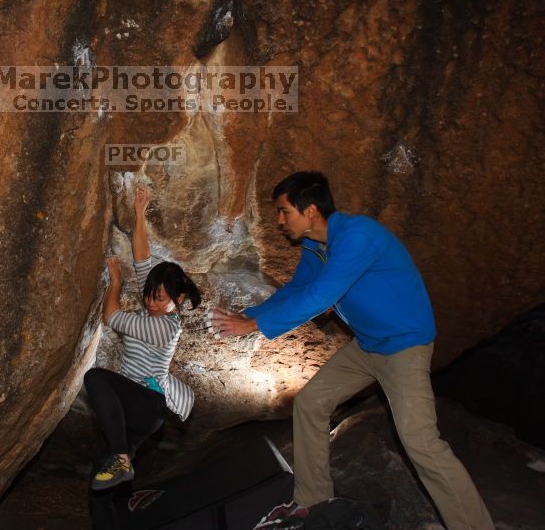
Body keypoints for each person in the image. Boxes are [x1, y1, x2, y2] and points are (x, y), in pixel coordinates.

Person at [211, 172, 493, 529]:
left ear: (310, 210)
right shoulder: (316, 245)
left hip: (405, 347)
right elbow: (299, 288)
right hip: (368, 347)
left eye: (284, 212)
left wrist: (254, 327)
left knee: (422, 444)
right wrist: (248, 315)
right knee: (311, 403)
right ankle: (312, 502)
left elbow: (320, 296)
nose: (279, 221)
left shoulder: (357, 236)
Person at [84, 186, 201, 491]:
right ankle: (120, 465)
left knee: (96, 378)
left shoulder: (165, 327)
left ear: (180, 298)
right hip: (132, 407)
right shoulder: (155, 308)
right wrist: (139, 212)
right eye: (149, 295)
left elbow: (111, 317)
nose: (152, 302)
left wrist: (115, 285)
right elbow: (142, 258)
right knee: (101, 481)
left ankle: (122, 457)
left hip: (146, 403)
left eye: (160, 298)